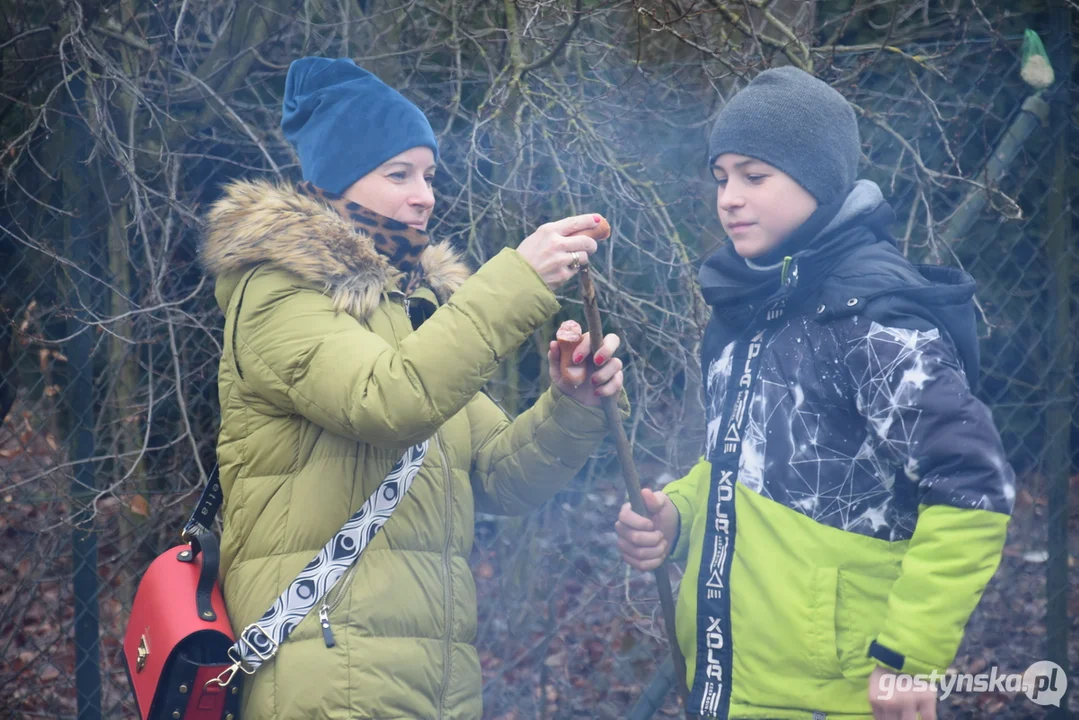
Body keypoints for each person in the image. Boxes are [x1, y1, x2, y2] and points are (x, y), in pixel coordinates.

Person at [200, 56, 626, 719]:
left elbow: (500, 476)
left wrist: (569, 405)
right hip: (329, 672)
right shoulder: (278, 291)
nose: (424, 194)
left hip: (435, 681)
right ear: (332, 184)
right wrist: (517, 278)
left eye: (428, 174)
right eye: (398, 174)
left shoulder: (414, 310)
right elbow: (387, 400)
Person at [615, 66, 1014, 720]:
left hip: (837, 696)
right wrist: (677, 514)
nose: (729, 198)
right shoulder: (744, 308)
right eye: (720, 177)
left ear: (817, 181)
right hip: (726, 683)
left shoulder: (873, 320)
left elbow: (973, 487)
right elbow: (737, 461)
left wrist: (909, 657)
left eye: (754, 175)